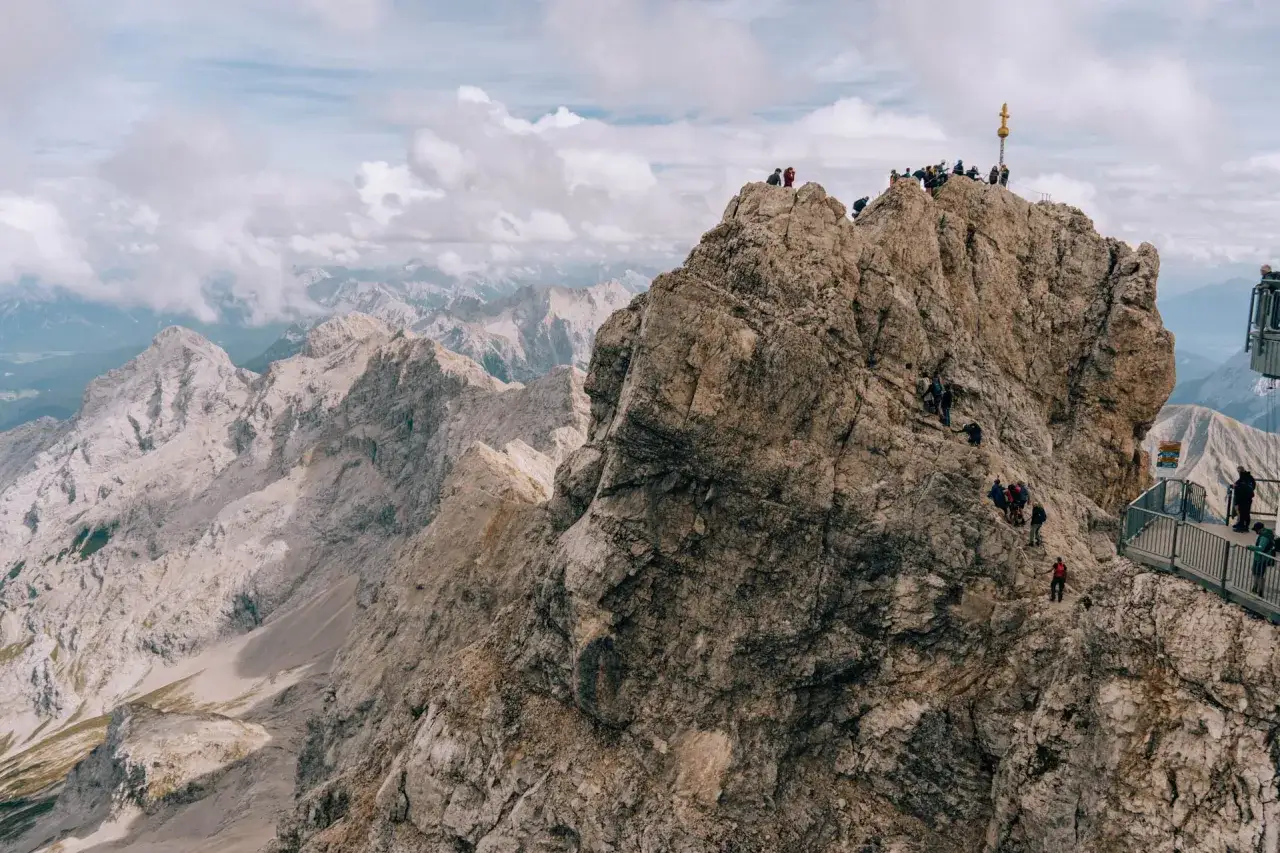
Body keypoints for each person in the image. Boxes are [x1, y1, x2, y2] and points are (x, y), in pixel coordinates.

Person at [1249, 521, 1275, 596]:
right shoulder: (1268, 532)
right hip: (1263, 558)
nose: (1255, 532)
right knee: (1257, 573)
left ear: (1259, 529)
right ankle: (1255, 588)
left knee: (1259, 574)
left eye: (1256, 530)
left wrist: (1250, 547)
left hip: (1261, 558)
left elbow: (1261, 548)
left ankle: (1260, 591)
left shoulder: (1264, 537)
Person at [1233, 466, 1257, 532]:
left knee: (1242, 513)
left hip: (1243, 498)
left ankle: (1241, 527)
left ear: (1240, 471)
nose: (1238, 472)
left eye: (1238, 471)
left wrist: (1236, 486)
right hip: (1249, 498)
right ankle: (1245, 526)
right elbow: (1253, 485)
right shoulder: (1249, 477)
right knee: (1246, 512)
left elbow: (1240, 487)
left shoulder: (1243, 478)